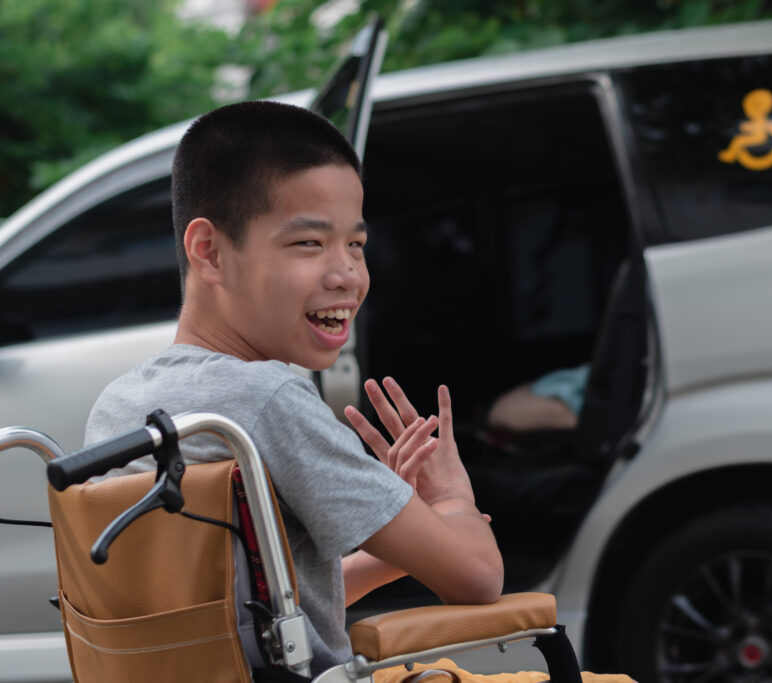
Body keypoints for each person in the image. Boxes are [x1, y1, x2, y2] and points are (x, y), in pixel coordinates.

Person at [85, 100, 630, 682]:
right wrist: (450, 503)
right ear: (210, 251)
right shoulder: (267, 402)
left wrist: (392, 521)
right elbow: (477, 578)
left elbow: (244, 617)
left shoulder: (121, 407)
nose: (347, 273)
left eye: (356, 244)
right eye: (309, 244)